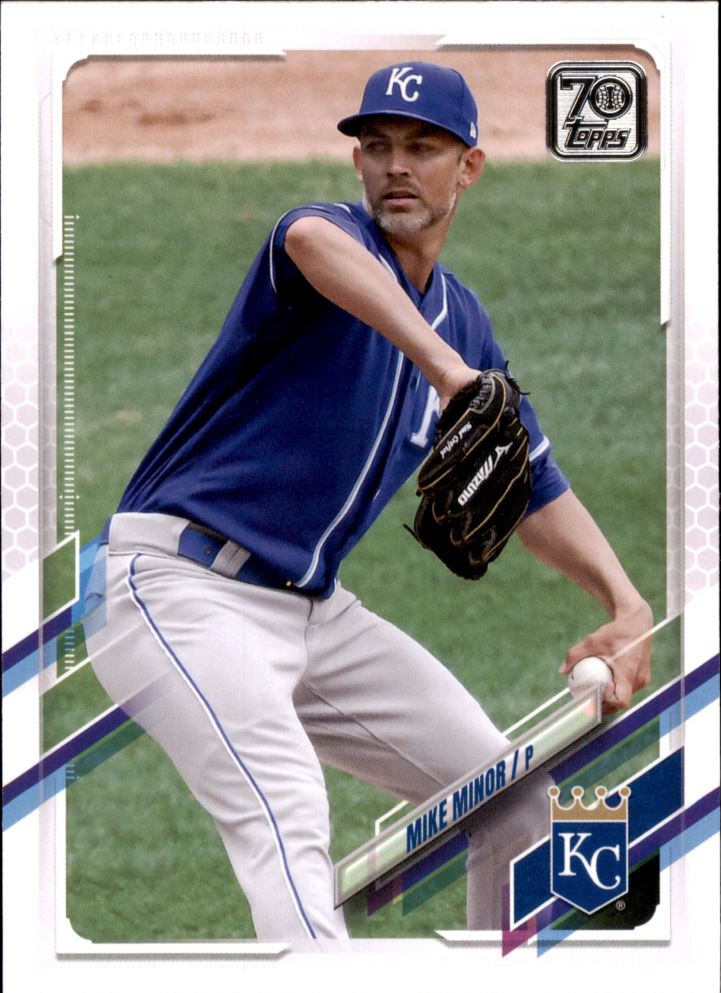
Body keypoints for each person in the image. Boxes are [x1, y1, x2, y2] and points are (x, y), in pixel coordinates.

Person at [85, 62, 652, 943]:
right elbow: (308, 238)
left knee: (511, 797)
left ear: (469, 167)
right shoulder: (326, 245)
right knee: (285, 812)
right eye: (378, 147)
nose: (397, 166)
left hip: (312, 613)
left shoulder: (464, 321)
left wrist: (625, 604)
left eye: (423, 148)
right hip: (179, 590)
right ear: (356, 164)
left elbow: (531, 482)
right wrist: (446, 372)